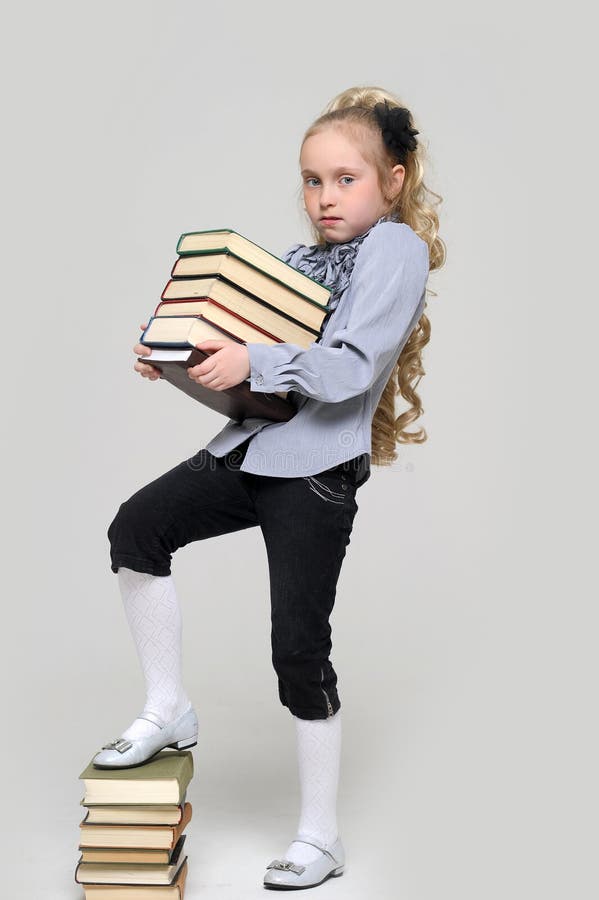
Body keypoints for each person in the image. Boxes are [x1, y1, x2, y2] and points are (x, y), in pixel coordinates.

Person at [93, 85, 445, 890]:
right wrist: (172, 351)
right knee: (136, 531)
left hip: (313, 475)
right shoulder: (298, 261)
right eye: (312, 181)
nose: (325, 197)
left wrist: (251, 359)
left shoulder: (393, 250)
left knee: (297, 649)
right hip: (247, 450)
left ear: (392, 180)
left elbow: (350, 368)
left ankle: (319, 837)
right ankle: (168, 705)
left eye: (345, 179)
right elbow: (243, 350)